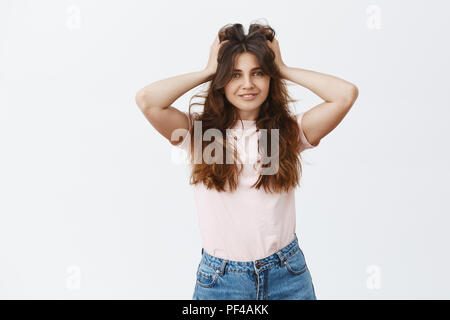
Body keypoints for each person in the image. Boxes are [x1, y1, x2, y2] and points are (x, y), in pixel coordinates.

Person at [135, 22, 358, 300]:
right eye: (235, 75)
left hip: (287, 274)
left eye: (258, 73)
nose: (248, 84)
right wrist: (208, 70)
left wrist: (284, 68)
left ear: (270, 78)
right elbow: (147, 101)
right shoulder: (200, 134)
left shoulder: (286, 132)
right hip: (221, 280)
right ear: (222, 80)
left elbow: (345, 95)